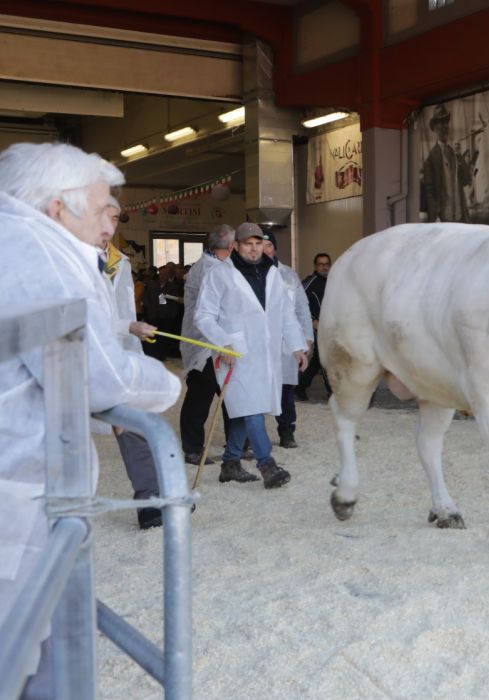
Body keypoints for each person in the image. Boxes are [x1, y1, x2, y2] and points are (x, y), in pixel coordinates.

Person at [0, 141, 181, 697]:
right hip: (20, 487)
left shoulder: (22, 241)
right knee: (21, 644)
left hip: (28, 476)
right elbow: (95, 375)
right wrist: (165, 384)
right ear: (60, 206)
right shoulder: (34, 250)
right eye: (103, 207)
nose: (111, 222)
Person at [194, 223, 308, 488]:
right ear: (235, 246)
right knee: (252, 408)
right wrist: (223, 343)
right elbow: (204, 316)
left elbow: (286, 315)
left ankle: (230, 463)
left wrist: (297, 346)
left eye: (259, 243)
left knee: (249, 409)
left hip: (266, 355)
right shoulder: (219, 274)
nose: (255, 248)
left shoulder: (274, 274)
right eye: (248, 243)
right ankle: (267, 465)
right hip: (235, 353)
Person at [98, 199, 166, 529]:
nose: (111, 226)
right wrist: (127, 327)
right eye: (107, 217)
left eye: (114, 219)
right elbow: (85, 317)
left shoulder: (116, 261)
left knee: (134, 425)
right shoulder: (64, 259)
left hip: (118, 353)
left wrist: (131, 334)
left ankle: (152, 500)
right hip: (69, 360)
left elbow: (120, 312)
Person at [178, 225, 236, 465]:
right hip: (203, 343)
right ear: (231, 247)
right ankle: (192, 448)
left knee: (231, 396)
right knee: (200, 397)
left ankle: (236, 444)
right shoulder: (208, 270)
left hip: (222, 343)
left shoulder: (218, 267)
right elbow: (210, 313)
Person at [263, 233, 314, 448]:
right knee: (256, 390)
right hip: (260, 343)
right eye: (258, 245)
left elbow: (301, 308)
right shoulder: (245, 274)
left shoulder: (289, 275)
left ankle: (286, 431)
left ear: (275, 249)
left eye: (268, 245)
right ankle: (248, 437)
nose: (263, 250)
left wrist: (307, 338)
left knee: (285, 392)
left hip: (285, 345)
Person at [420, 104, 469, 223]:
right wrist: (435, 217)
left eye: (446, 122)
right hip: (443, 221)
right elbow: (429, 193)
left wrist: (460, 156)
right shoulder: (431, 159)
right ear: (435, 128)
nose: (444, 126)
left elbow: (466, 179)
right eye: (441, 123)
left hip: (460, 219)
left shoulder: (454, 153)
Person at [297, 252, 333, 400]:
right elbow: (299, 304)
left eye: (326, 264)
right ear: (315, 266)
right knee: (324, 358)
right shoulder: (309, 283)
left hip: (330, 326)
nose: (324, 267)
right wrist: (313, 321)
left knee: (319, 360)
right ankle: (332, 392)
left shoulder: (334, 281)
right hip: (316, 327)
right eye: (320, 264)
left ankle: (300, 386)